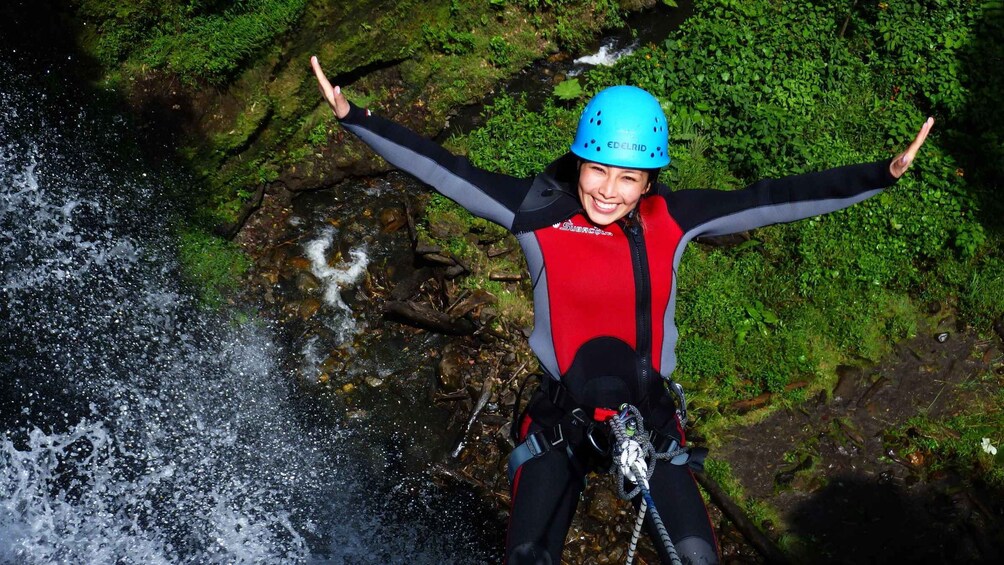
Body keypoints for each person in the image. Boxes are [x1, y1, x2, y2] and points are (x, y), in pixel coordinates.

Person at [311, 55, 933, 565]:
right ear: (579, 161)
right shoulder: (536, 211)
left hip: (649, 421)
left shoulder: (674, 220)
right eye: (598, 170)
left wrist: (880, 173)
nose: (607, 190)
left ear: (649, 182)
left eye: (628, 178)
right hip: (561, 418)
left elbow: (774, 197)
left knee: (696, 559)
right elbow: (444, 170)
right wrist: (353, 116)